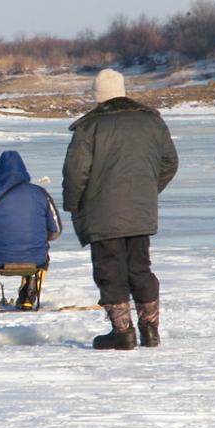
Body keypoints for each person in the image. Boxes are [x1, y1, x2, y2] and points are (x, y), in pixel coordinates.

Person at [62, 69, 178, 349]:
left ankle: (122, 332)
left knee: (110, 270)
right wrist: (146, 191)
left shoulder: (90, 127)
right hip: (140, 211)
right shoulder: (152, 122)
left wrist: (73, 204)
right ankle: (150, 330)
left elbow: (76, 172)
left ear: (98, 96)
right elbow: (169, 163)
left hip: (103, 213)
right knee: (140, 268)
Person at [0, 150, 62, 310]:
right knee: (43, 252)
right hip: (35, 258)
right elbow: (56, 229)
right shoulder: (41, 193)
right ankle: (29, 295)